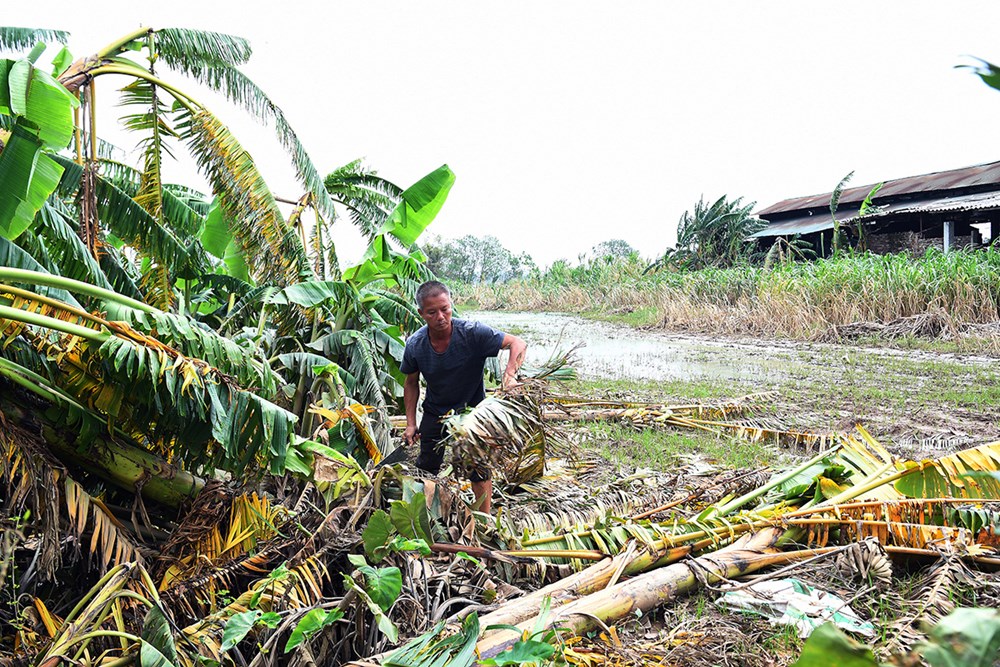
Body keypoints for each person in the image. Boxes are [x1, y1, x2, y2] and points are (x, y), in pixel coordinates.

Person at [400, 281, 527, 513]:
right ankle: (425, 515)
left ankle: (484, 520)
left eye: (445, 308)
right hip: (435, 411)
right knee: (426, 468)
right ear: (421, 313)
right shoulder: (416, 345)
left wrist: (510, 374)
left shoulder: (472, 333)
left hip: (473, 413)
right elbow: (411, 383)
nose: (440, 316)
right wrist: (410, 423)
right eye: (432, 312)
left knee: (478, 468)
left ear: (451, 305)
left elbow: (517, 343)